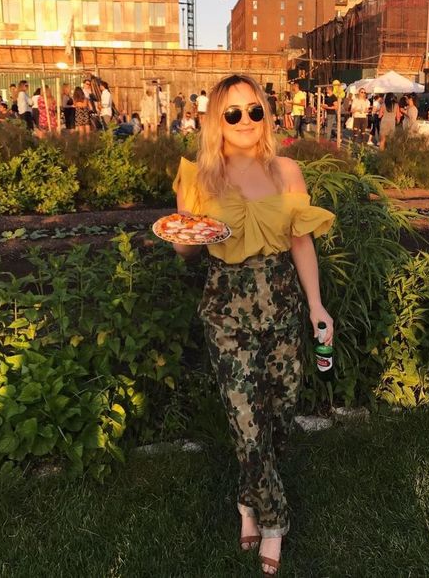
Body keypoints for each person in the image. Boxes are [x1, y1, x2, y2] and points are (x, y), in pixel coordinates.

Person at [171, 74, 334, 577]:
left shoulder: (287, 171)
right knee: (245, 419)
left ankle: (247, 500)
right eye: (233, 113)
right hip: (227, 308)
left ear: (266, 114)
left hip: (282, 304)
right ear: (216, 121)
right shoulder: (200, 177)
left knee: (279, 417)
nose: (246, 120)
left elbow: (301, 241)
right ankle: (274, 522)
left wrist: (316, 306)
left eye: (254, 110)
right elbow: (185, 247)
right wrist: (186, 237)